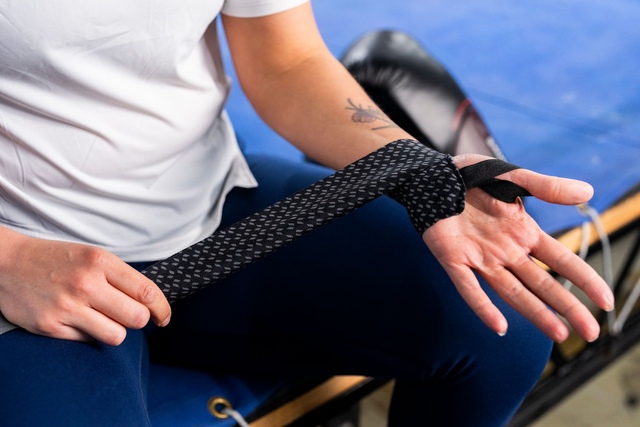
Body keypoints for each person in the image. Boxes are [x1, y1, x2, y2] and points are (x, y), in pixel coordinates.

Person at [0, 1, 613, 426]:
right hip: (29, 261)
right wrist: (9, 260)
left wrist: (417, 169)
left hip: (209, 203)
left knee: (504, 326)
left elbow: (286, 60)